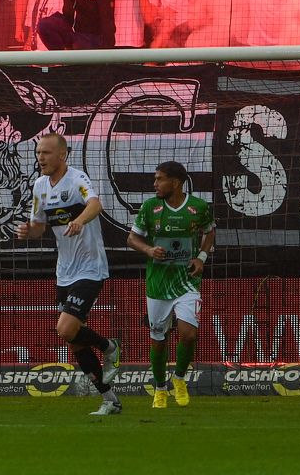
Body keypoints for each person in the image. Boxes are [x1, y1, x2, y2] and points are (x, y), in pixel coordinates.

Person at [16, 133, 122, 416]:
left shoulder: (77, 179)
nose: (41, 157)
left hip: (90, 267)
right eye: (38, 152)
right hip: (64, 271)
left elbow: (96, 205)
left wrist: (79, 219)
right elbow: (39, 226)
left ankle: (109, 347)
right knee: (73, 340)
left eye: (46, 153)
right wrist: (28, 232)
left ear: (62, 155)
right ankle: (110, 400)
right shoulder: (39, 186)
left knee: (64, 328)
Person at [126, 161, 213, 409]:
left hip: (187, 281)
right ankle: (160, 389)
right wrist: (149, 249)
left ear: (175, 182)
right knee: (158, 338)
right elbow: (132, 238)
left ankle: (180, 379)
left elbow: (210, 232)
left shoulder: (198, 208)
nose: (155, 184)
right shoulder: (150, 207)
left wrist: (201, 257)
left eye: (159, 179)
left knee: (188, 334)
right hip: (158, 284)